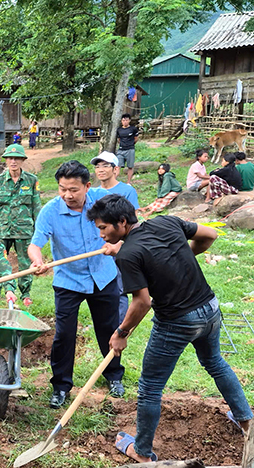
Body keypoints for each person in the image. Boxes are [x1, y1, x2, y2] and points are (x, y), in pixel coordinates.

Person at [86, 194, 253, 464]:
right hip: (209, 309)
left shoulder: (128, 255)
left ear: (122, 221)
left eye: (103, 228)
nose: (101, 235)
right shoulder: (166, 222)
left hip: (177, 321)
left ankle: (141, 452)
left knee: (150, 386)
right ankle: (247, 423)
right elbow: (210, 235)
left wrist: (121, 334)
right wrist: (178, 257)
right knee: (215, 362)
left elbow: (142, 303)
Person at [28, 160, 125, 408]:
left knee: (109, 330)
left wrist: (117, 245)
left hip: (103, 276)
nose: (68, 195)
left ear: (87, 186)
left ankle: (114, 375)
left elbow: (129, 228)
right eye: (62, 189)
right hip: (68, 280)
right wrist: (37, 261)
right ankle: (61, 386)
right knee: (64, 335)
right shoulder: (50, 211)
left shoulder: (104, 201)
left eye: (73, 190)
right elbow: (35, 244)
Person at [0, 144, 40, 307]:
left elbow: (36, 206)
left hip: (24, 231)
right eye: (10, 158)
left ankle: (25, 293)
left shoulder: (31, 180)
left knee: (25, 264)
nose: (13, 161)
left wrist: (39, 230)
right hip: (2, 230)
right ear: (6, 160)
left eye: (17, 158)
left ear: (22, 160)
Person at [91, 150, 139, 322]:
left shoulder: (126, 190)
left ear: (116, 170)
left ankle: (119, 325)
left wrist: (120, 245)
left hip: (118, 247)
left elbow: (133, 220)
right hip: (100, 246)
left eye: (105, 166)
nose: (101, 169)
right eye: (97, 166)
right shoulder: (93, 193)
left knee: (120, 286)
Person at [115, 113, 139, 184]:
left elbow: (136, 138)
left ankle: (128, 182)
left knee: (130, 166)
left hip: (130, 149)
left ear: (129, 121)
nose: (125, 122)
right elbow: (118, 139)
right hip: (121, 150)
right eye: (123, 120)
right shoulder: (119, 130)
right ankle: (114, 181)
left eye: (126, 120)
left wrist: (131, 144)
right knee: (118, 166)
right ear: (121, 121)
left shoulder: (133, 129)